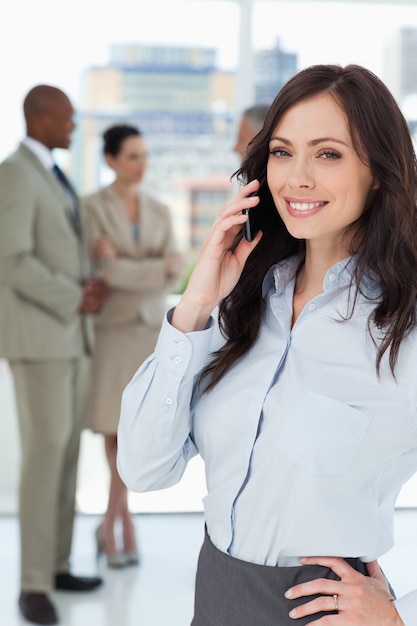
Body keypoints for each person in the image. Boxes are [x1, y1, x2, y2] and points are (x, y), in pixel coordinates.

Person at [116, 63, 417, 626]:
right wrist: (194, 308)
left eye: (328, 154)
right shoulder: (242, 304)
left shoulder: (403, 327)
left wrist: (399, 614)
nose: (295, 178)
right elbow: (143, 467)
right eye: (282, 152)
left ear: (378, 169)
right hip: (217, 597)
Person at [0, 85, 109, 626]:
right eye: (65, 118)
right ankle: (32, 584)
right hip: (40, 341)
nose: (72, 125)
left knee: (66, 456)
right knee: (44, 459)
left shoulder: (56, 175)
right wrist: (74, 296)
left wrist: (88, 279)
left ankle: (59, 564)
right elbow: (12, 259)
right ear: (38, 117)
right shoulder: (15, 173)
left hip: (71, 338)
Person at [82, 124, 184, 569]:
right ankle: (118, 524)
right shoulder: (90, 209)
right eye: (131, 157)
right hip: (112, 332)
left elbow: (174, 271)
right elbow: (106, 273)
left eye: (144, 156)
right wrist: (150, 267)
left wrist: (129, 268)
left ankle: (112, 523)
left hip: (149, 334)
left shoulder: (160, 208)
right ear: (110, 160)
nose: (141, 165)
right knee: (112, 429)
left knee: (134, 429)